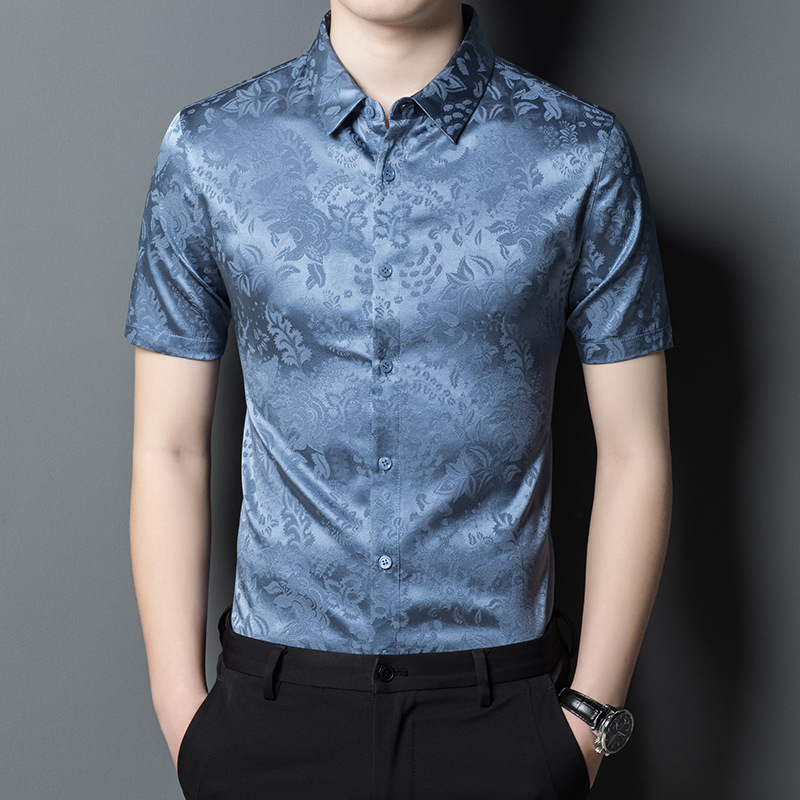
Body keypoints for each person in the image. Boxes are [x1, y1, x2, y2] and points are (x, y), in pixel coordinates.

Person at [126, 2, 672, 798]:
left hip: (500, 718)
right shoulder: (209, 149)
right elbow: (168, 448)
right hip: (271, 718)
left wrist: (586, 722)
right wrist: (185, 718)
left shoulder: (580, 153)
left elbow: (636, 453)